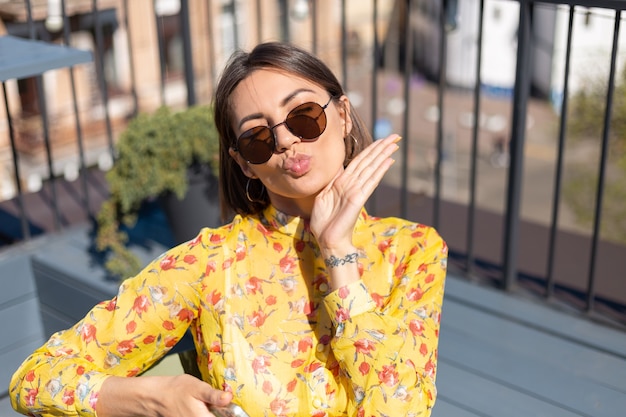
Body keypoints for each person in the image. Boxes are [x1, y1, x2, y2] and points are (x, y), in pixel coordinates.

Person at [10, 41, 447, 417]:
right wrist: (151, 397)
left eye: (304, 116)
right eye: (258, 137)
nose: (286, 142)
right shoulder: (210, 263)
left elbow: (401, 406)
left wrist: (336, 251)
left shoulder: (413, 252)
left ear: (343, 115)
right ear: (244, 163)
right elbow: (35, 378)